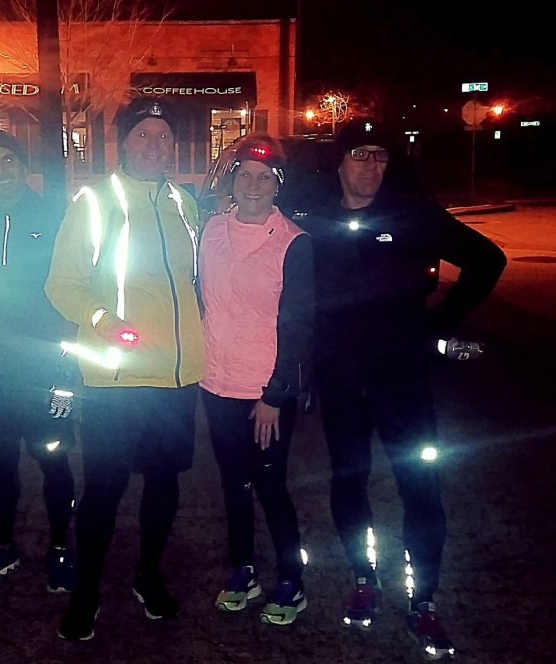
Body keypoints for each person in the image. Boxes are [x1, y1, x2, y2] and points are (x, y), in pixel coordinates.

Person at [293, 119, 507, 659]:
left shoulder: (413, 216)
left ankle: (424, 600)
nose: (370, 166)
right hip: (341, 380)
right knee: (348, 481)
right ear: (339, 161)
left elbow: (488, 260)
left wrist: (440, 322)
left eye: (380, 156)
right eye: (359, 154)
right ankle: (364, 578)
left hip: (402, 380)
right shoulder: (313, 219)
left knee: (420, 484)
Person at [44, 97, 205, 641]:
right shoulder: (94, 202)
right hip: (116, 377)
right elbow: (62, 285)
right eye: (143, 134)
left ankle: (148, 574)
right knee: (104, 488)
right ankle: (87, 591)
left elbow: (195, 284)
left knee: (163, 483)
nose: (155, 145)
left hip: (177, 376)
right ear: (124, 143)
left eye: (163, 135)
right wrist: (106, 322)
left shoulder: (185, 204)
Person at [199, 134, 315, 626]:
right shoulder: (210, 230)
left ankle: (291, 580)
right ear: (231, 181)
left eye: (264, 177)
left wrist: (275, 394)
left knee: (270, 484)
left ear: (277, 184)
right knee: (233, 484)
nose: (253, 184)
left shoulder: (293, 242)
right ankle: (242, 570)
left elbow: (299, 324)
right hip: (215, 383)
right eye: (244, 174)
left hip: (265, 391)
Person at [0, 129, 77, 594]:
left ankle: (61, 548)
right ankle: (3, 547)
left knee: (54, 459)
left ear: (24, 167)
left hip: (46, 370)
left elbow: (73, 296)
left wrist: (67, 368)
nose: (0, 171)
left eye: (8, 161)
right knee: (0, 462)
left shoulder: (55, 220)